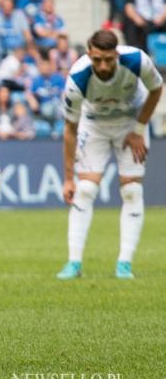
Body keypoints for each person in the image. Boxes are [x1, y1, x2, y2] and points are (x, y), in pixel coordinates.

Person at [57, 30, 163, 280]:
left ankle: (124, 264)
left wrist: (139, 128)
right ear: (89, 55)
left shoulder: (137, 61)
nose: (102, 66)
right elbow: (70, 129)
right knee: (85, 190)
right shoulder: (77, 79)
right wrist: (68, 178)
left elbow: (156, 89)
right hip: (94, 126)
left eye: (108, 59)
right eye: (97, 60)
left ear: (116, 54)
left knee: (132, 191)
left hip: (131, 124)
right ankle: (74, 263)